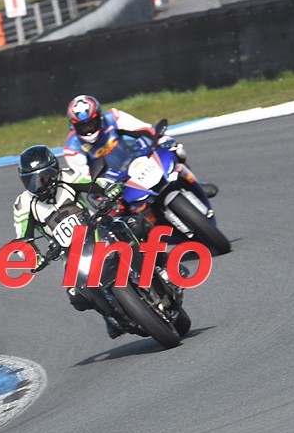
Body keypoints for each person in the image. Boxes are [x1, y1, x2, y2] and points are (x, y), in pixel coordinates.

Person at [13, 145, 129, 339]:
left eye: (45, 177)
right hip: (68, 252)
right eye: (32, 181)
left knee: (131, 225)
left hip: (96, 227)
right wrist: (34, 257)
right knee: (76, 296)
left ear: (55, 170)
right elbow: (22, 240)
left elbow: (95, 183)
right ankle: (109, 315)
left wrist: (110, 188)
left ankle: (160, 263)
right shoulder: (23, 204)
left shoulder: (67, 177)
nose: (40, 185)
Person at [62, 94, 219, 230]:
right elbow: (85, 177)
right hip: (111, 178)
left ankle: (194, 183)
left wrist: (160, 138)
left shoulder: (113, 117)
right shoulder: (71, 147)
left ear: (99, 117)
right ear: (73, 125)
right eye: (83, 126)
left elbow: (143, 128)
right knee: (114, 219)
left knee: (176, 150)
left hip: (134, 157)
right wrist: (104, 189)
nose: (88, 128)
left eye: (91, 122)